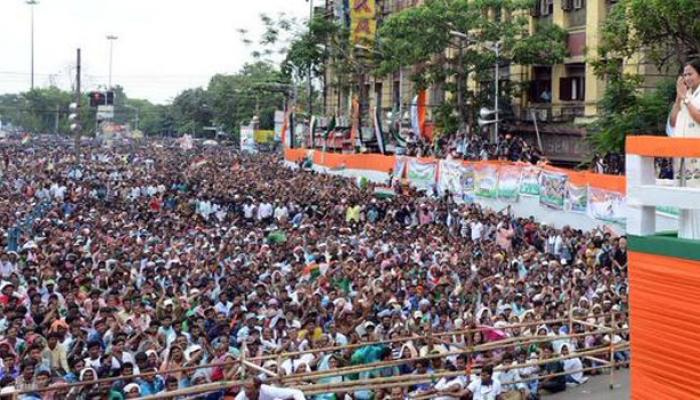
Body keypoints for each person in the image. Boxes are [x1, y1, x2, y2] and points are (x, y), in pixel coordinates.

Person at [668, 58, 700, 239]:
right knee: (683, 203)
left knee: (696, 201)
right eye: (684, 74)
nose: (686, 78)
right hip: (681, 158)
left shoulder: (693, 96)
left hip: (697, 157)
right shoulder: (684, 95)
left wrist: (686, 98)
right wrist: (678, 98)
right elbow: (673, 121)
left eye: (690, 74)